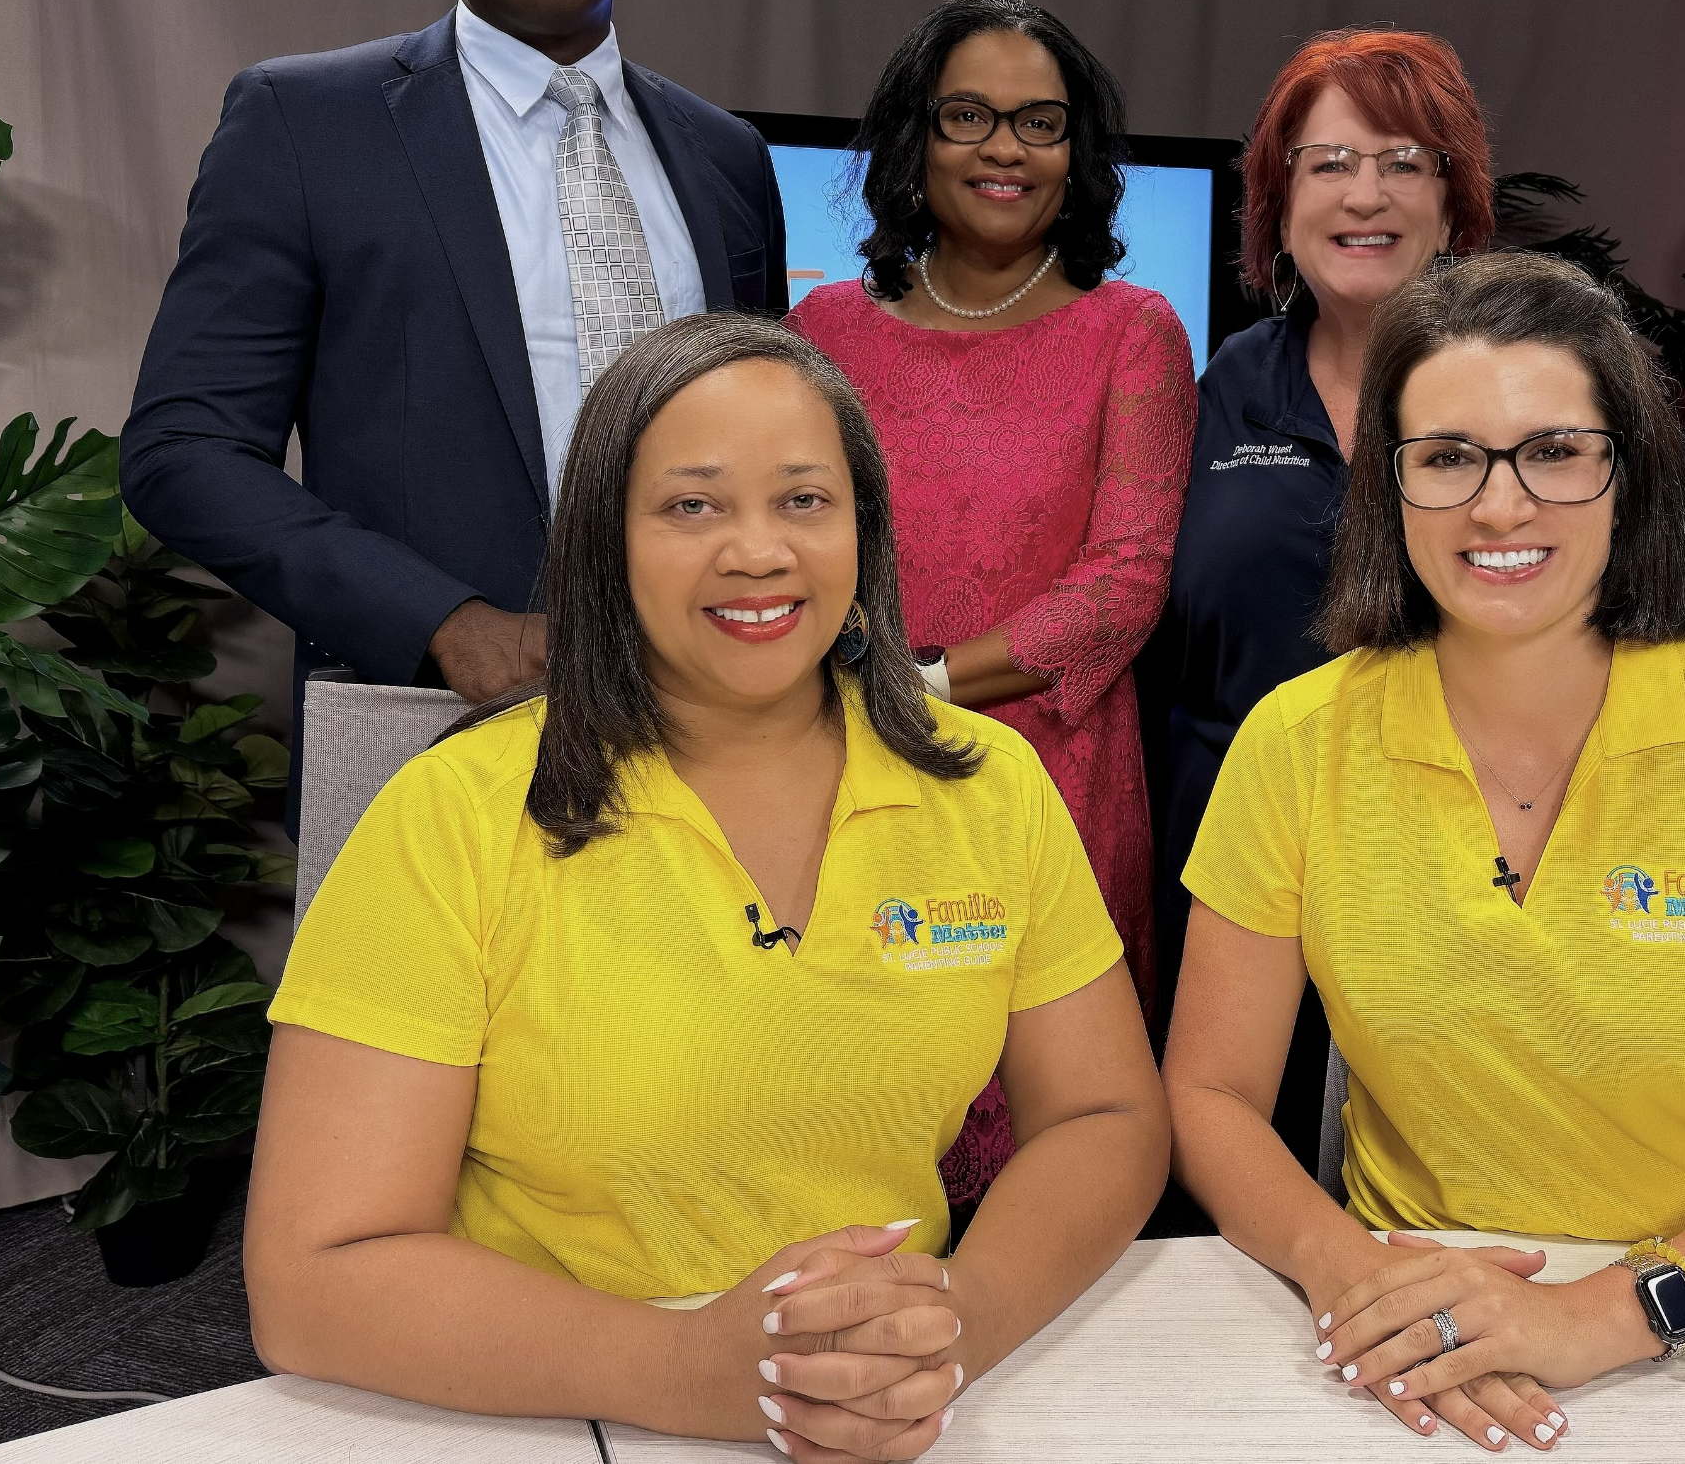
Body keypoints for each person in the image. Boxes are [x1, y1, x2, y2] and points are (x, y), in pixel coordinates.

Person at [247, 316, 1168, 1457]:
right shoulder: (457, 815)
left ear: (864, 530)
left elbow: (1107, 1117)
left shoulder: (988, 783)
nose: (758, 552)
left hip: (893, 1405)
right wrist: (686, 1370)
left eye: (803, 500)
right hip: (545, 1407)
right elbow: (313, 1277)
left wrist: (950, 1326)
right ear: (606, 543)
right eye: (691, 505)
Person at [1164, 254, 1685, 1454]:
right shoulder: (1295, 741)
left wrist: (1589, 1318)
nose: (1500, 506)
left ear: (1629, 475)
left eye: (1555, 452)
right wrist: (1350, 1273)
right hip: (1402, 1337)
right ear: (1390, 485)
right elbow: (1208, 1094)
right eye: (1447, 455)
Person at [1144, 27, 1685, 1135]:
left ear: (1454, 199)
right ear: (1275, 201)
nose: (1363, 192)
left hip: (1456, 841)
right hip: (1246, 838)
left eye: (1403, 159)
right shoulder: (1218, 386)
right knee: (1237, 1161)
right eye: (1327, 162)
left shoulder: (1529, 366)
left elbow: (1663, 545)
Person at [121, 0, 787, 794]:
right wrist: (435, 620)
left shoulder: (725, 158)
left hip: (712, 729)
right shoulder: (305, 125)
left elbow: (767, 449)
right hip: (429, 729)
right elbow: (183, 450)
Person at [787, 0, 1195, 1204]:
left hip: (1053, 777)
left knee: (1049, 1146)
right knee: (853, 1118)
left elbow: (1123, 587)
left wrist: (918, 688)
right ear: (916, 140)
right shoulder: (825, 331)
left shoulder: (1134, 331)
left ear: (1079, 158)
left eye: (1040, 122)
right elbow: (797, 536)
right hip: (848, 767)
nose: (1003, 148)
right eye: (968, 115)